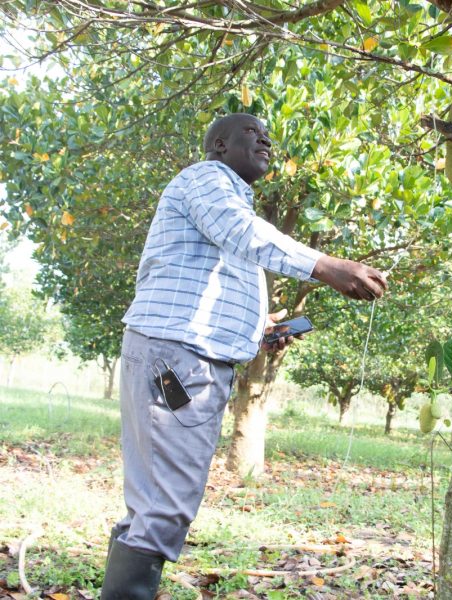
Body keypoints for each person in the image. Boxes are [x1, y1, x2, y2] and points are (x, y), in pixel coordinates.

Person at [101, 113, 387, 599]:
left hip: (183, 355)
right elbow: (239, 230)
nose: (266, 140)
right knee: (166, 507)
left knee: (154, 504)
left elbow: (213, 279)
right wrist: (324, 265)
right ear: (218, 144)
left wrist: (258, 331)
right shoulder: (206, 179)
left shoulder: (227, 200)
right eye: (251, 133)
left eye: (268, 135)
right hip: (176, 359)